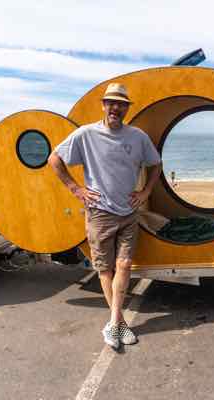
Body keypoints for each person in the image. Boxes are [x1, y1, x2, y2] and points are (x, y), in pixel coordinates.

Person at [48, 82, 162, 349]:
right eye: (111, 103)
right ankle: (118, 323)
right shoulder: (86, 134)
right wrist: (75, 189)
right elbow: (54, 159)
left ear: (126, 108)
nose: (116, 108)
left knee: (124, 266)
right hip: (100, 213)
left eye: (121, 104)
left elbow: (156, 164)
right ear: (103, 105)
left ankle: (114, 323)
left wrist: (145, 192)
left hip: (129, 212)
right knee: (105, 269)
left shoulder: (137, 137)